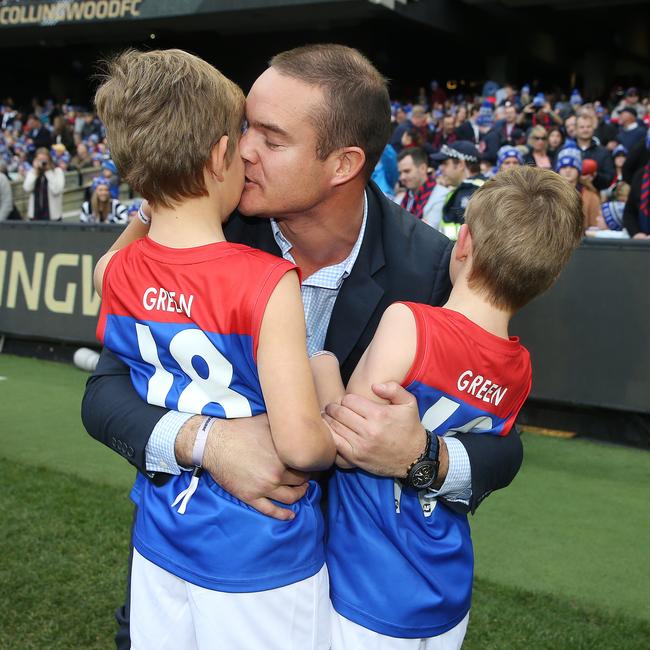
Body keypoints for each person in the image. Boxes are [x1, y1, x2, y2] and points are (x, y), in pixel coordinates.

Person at [81, 44, 524, 649]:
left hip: (351, 603)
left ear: (343, 164)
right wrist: (206, 443)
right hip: (187, 567)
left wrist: (424, 457)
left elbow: (503, 444)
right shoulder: (207, 218)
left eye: (271, 137)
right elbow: (104, 394)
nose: (242, 149)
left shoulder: (429, 268)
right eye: (243, 129)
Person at [93, 48, 336, 649]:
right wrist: (326, 385)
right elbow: (303, 447)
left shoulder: (116, 272)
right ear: (221, 156)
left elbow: (115, 258)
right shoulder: (265, 279)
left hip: (161, 536)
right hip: (259, 553)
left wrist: (151, 199)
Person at [312, 165, 584, 649]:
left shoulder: (410, 322)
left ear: (464, 244)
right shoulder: (519, 367)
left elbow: (347, 434)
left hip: (369, 583)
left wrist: (321, 365)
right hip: (446, 584)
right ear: (548, 279)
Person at [435, 141, 486, 239]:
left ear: (461, 164)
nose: (441, 169)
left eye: (445, 163)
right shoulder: (481, 187)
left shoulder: (471, 192)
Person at [555, 147, 600, 231]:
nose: (568, 170)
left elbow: (595, 227)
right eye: (564, 167)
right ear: (558, 170)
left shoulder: (591, 197)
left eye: (572, 167)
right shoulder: (550, 194)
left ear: (579, 170)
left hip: (584, 242)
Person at [22, 147, 65, 221]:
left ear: (49, 160)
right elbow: (27, 188)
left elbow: (56, 190)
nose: (42, 162)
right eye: (39, 160)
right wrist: (35, 172)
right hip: (35, 215)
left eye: (44, 160)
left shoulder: (57, 172)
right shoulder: (33, 172)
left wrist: (48, 171)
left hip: (53, 216)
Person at [575, 113, 615, 190]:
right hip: (570, 196)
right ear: (576, 129)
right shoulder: (566, 150)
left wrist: (595, 176)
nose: (585, 129)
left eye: (588, 127)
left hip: (596, 195)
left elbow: (609, 178)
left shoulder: (603, 152)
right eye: (582, 127)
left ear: (593, 128)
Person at [397, 146, 437, 220]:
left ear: (423, 168)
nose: (402, 177)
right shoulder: (400, 199)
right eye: (400, 173)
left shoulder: (440, 196)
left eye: (407, 171)